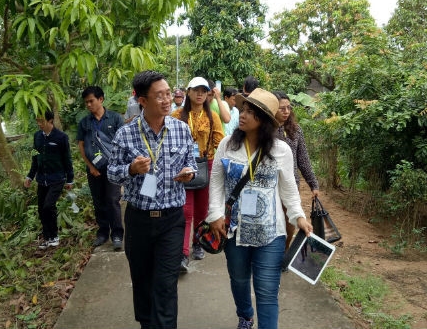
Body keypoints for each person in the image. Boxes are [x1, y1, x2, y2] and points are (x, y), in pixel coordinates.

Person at [205, 88, 313, 329]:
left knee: (267, 290)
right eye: (243, 109)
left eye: (250, 112)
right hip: (233, 231)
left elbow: (289, 190)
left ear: (263, 121)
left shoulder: (281, 150)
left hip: (270, 234)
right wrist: (215, 214)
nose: (242, 115)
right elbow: (217, 181)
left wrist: (299, 217)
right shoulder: (227, 145)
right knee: (239, 280)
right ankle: (245, 315)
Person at [108, 70, 197, 329]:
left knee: (166, 283)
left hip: (171, 220)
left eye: (168, 93)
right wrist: (131, 169)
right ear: (142, 101)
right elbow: (112, 174)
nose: (167, 99)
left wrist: (188, 174)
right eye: (159, 96)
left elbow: (192, 162)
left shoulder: (181, 129)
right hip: (139, 220)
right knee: (143, 281)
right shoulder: (126, 134)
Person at [171, 76, 224, 271]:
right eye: (196, 90)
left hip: (206, 165)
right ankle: (183, 253)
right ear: (188, 93)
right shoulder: (177, 115)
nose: (200, 94)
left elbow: (221, 142)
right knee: (185, 211)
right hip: (185, 166)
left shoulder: (212, 117)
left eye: (204, 90)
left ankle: (198, 244)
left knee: (202, 211)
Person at [76, 86, 125, 250]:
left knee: (113, 200)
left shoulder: (115, 118)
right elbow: (81, 146)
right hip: (94, 170)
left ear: (101, 99)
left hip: (113, 169)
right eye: (86, 102)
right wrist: (90, 166)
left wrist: (118, 165)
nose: (89, 105)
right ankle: (103, 232)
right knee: (99, 202)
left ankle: (117, 234)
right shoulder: (85, 123)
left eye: (91, 101)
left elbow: (122, 144)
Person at [274, 91, 320, 251]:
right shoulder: (264, 131)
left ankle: (284, 253)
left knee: (289, 223)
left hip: (291, 183)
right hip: (270, 184)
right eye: (281, 108)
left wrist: (313, 184)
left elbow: (303, 159)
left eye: (288, 108)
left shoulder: (296, 130)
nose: (286, 111)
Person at [24, 110, 74, 249]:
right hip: (41, 179)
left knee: (48, 206)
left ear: (50, 121)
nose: (39, 123)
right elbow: (35, 158)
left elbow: (67, 159)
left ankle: (55, 236)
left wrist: (70, 179)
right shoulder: (37, 137)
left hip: (57, 178)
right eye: (37, 120)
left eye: (42, 121)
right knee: (41, 209)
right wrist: (30, 176)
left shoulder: (61, 137)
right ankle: (47, 238)